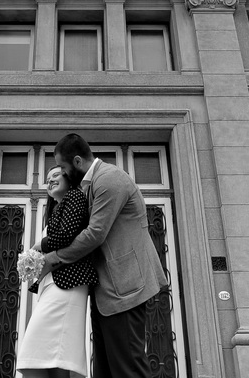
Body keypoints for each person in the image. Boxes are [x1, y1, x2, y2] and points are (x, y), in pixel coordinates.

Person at [43, 133, 168, 378]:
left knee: (127, 369)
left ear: (77, 162)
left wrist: (53, 258)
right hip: (106, 292)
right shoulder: (89, 185)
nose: (64, 174)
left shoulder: (110, 179)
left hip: (126, 287)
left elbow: (95, 234)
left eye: (65, 168)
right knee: (105, 370)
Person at [17, 165, 97, 378]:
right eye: (47, 178)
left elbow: (66, 237)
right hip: (55, 284)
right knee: (51, 357)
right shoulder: (57, 210)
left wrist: (36, 247)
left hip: (67, 284)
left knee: (38, 355)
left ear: (68, 178)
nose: (50, 180)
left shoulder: (74, 197)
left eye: (55, 175)